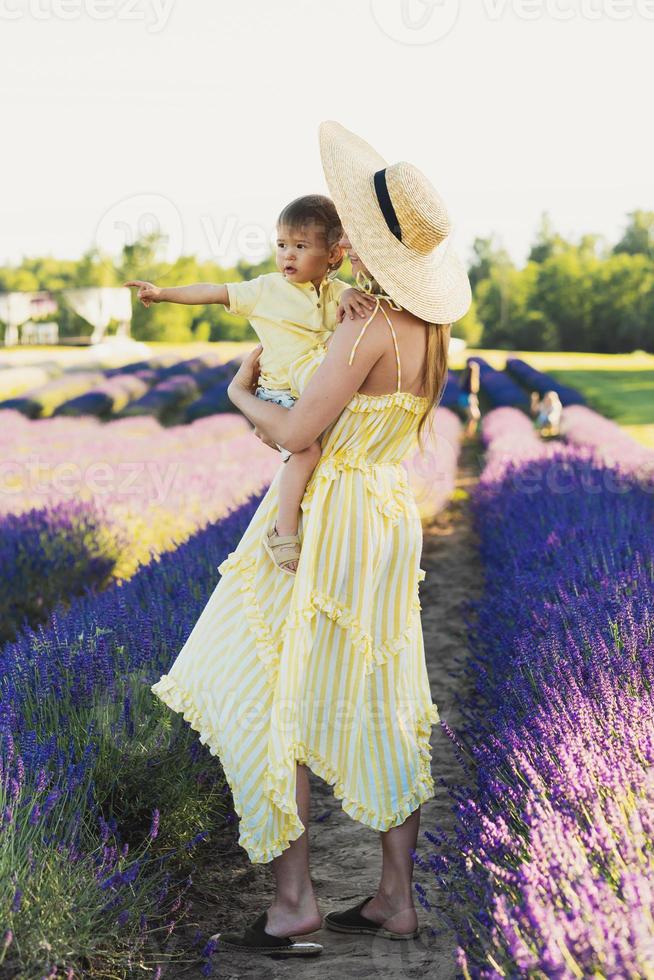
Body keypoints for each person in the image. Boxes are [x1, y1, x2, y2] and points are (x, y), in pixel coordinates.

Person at [149, 120, 472, 959]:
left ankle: (295, 904)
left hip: (323, 521)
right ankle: (395, 900)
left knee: (269, 691)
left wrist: (237, 397)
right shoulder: (427, 331)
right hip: (385, 519)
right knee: (386, 695)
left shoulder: (363, 327)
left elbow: (298, 434)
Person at [124, 195, 374, 576]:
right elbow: (213, 291)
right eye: (282, 245)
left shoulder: (336, 292)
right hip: (280, 396)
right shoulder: (265, 289)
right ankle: (283, 531)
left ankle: (322, 528)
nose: (287, 255)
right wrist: (163, 294)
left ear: (332, 256)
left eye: (301, 246)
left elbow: (351, 305)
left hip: (313, 390)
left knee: (333, 451)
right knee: (305, 454)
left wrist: (354, 292)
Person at [457, 359, 481, 438]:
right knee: (473, 417)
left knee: (472, 417)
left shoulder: (464, 377)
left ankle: (468, 433)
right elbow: (473, 390)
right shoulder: (472, 379)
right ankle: (467, 433)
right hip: (467, 398)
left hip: (464, 398)